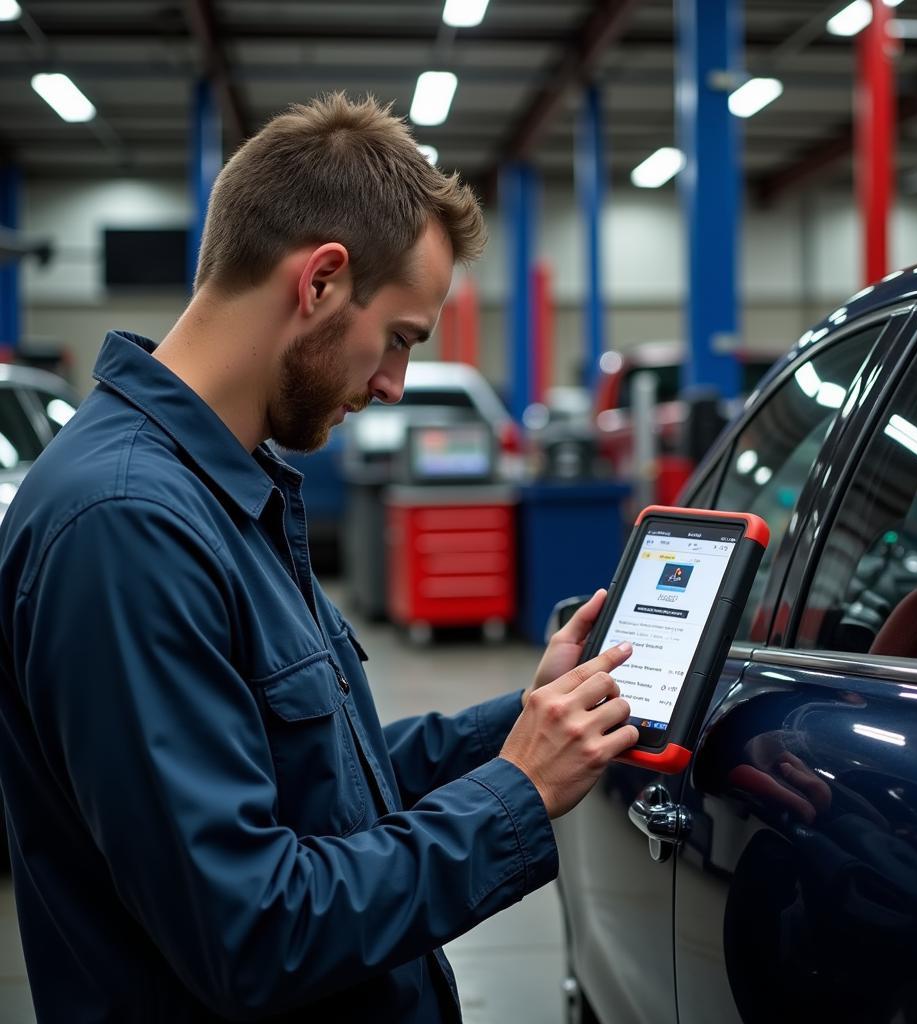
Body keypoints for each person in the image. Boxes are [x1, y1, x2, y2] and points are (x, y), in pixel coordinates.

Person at [0, 93, 638, 1022]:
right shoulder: (128, 525)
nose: (393, 384)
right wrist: (517, 794)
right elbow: (253, 931)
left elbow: (318, 783)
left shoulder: (222, 490)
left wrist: (536, 718)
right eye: (402, 341)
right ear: (321, 282)